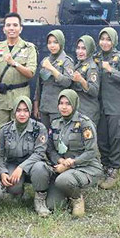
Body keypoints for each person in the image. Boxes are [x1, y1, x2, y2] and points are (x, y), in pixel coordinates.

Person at [46, 89, 103, 217]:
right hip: (63, 167)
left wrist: (71, 163)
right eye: (61, 103)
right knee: (52, 205)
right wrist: (61, 161)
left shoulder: (85, 123)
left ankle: (77, 198)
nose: (64, 107)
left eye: (68, 103)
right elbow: (50, 150)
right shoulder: (55, 124)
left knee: (63, 180)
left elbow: (91, 151)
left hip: (86, 166)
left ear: (75, 104)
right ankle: (67, 192)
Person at [0, 96, 51, 217]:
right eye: (18, 110)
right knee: (13, 185)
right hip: (13, 164)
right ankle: (17, 193)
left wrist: (21, 168)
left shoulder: (39, 128)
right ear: (14, 112)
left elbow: (39, 153)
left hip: (33, 165)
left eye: (26, 110)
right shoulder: (5, 130)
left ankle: (40, 200)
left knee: (40, 168)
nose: (22, 114)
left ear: (30, 111)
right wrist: (2, 172)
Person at [94, 27, 120, 190]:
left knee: (115, 140)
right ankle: (105, 167)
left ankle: (113, 170)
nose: (105, 42)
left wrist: (111, 70)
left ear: (114, 41)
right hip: (101, 107)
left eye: (108, 39)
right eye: (102, 39)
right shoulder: (96, 57)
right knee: (102, 139)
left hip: (117, 107)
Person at [0, 13, 37, 130]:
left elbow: (31, 73)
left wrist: (14, 63)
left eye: (15, 25)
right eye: (8, 25)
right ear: (4, 29)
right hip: (0, 99)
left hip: (20, 98)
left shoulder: (29, 48)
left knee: (19, 131)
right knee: (0, 132)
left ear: (20, 28)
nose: (11, 28)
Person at [34, 29, 75, 130]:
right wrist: (36, 105)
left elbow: (68, 82)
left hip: (59, 109)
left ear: (61, 43)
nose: (52, 45)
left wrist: (52, 69)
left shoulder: (67, 61)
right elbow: (39, 85)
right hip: (44, 107)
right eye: (49, 43)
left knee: (58, 136)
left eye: (55, 42)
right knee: (44, 136)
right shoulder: (45, 61)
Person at [71, 35, 101, 126]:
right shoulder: (78, 65)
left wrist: (81, 80)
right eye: (78, 48)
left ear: (90, 50)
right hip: (79, 111)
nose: (80, 51)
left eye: (84, 48)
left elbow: (94, 91)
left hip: (88, 113)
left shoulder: (92, 68)